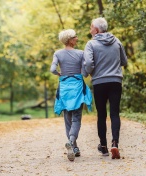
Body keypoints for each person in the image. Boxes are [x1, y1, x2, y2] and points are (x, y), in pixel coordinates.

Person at [84, 17, 128, 159]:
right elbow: (124, 61)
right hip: (116, 81)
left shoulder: (91, 44)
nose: (90, 29)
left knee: (101, 115)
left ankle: (103, 147)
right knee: (114, 113)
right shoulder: (117, 41)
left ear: (96, 30)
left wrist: (91, 72)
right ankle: (114, 142)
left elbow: (89, 64)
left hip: (99, 82)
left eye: (91, 27)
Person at [50, 29, 92, 162]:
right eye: (75, 37)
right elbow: (85, 73)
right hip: (77, 87)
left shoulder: (58, 53)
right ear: (69, 39)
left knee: (67, 119)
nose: (77, 38)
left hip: (64, 88)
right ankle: (72, 141)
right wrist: (83, 72)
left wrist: (59, 74)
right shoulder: (80, 53)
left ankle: (74, 147)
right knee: (77, 118)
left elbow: (52, 69)